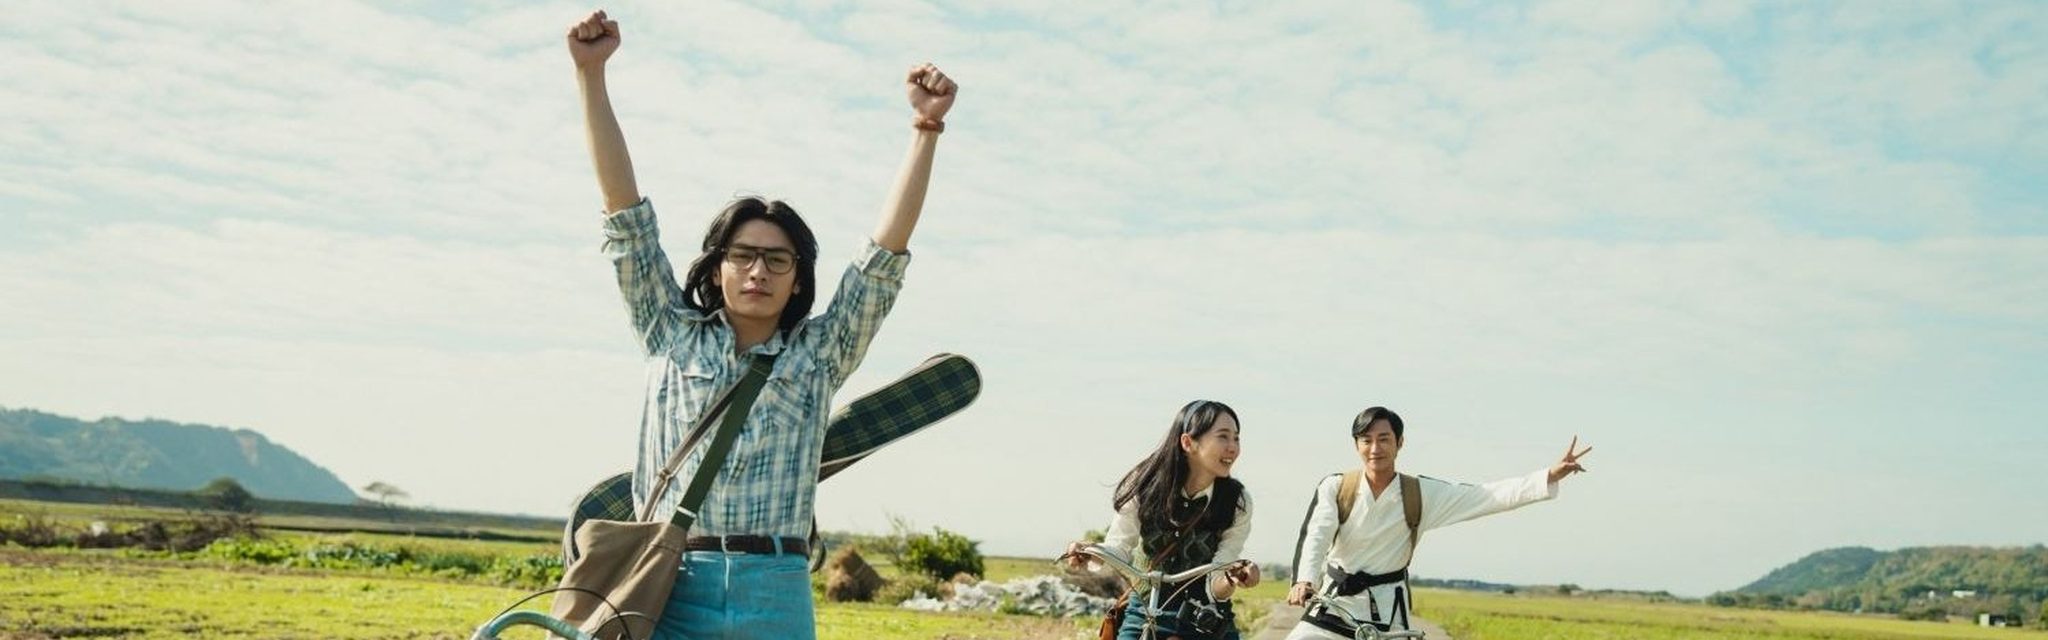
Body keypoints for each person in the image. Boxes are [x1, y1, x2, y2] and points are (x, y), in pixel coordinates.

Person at [565, 10, 958, 638]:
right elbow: (625, 217)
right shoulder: (669, 332)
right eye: (743, 255)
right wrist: (591, 76)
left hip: (776, 588)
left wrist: (926, 128)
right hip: (668, 582)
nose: (758, 271)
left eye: (778, 260)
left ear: (798, 278)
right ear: (717, 266)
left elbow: (881, 262)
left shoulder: (820, 352)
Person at [1283, 406, 1591, 639]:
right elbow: (1316, 535)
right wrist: (1304, 580)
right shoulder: (1337, 487)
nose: (1375, 448)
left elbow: (1485, 496)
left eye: (1384, 439)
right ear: (1356, 445)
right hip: (1334, 605)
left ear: (1399, 443)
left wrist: (1548, 476)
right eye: (1366, 440)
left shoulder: (1420, 494)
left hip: (1388, 614)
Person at [1065, 400, 1262, 640]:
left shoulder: (1237, 501)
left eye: (1236, 438)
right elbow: (1119, 546)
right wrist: (1090, 552)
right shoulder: (1144, 485)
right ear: (1188, 442)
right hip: (1145, 608)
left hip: (1205, 615)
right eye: (1223, 437)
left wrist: (1231, 578)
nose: (1233, 448)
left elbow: (1219, 575)